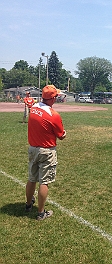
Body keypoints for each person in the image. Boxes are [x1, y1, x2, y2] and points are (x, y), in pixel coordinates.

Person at [25, 85, 66, 220]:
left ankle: (28, 204)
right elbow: (60, 135)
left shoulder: (34, 107)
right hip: (47, 151)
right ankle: (41, 212)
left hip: (32, 149)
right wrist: (63, 134)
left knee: (32, 179)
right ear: (53, 98)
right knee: (44, 182)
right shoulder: (54, 115)